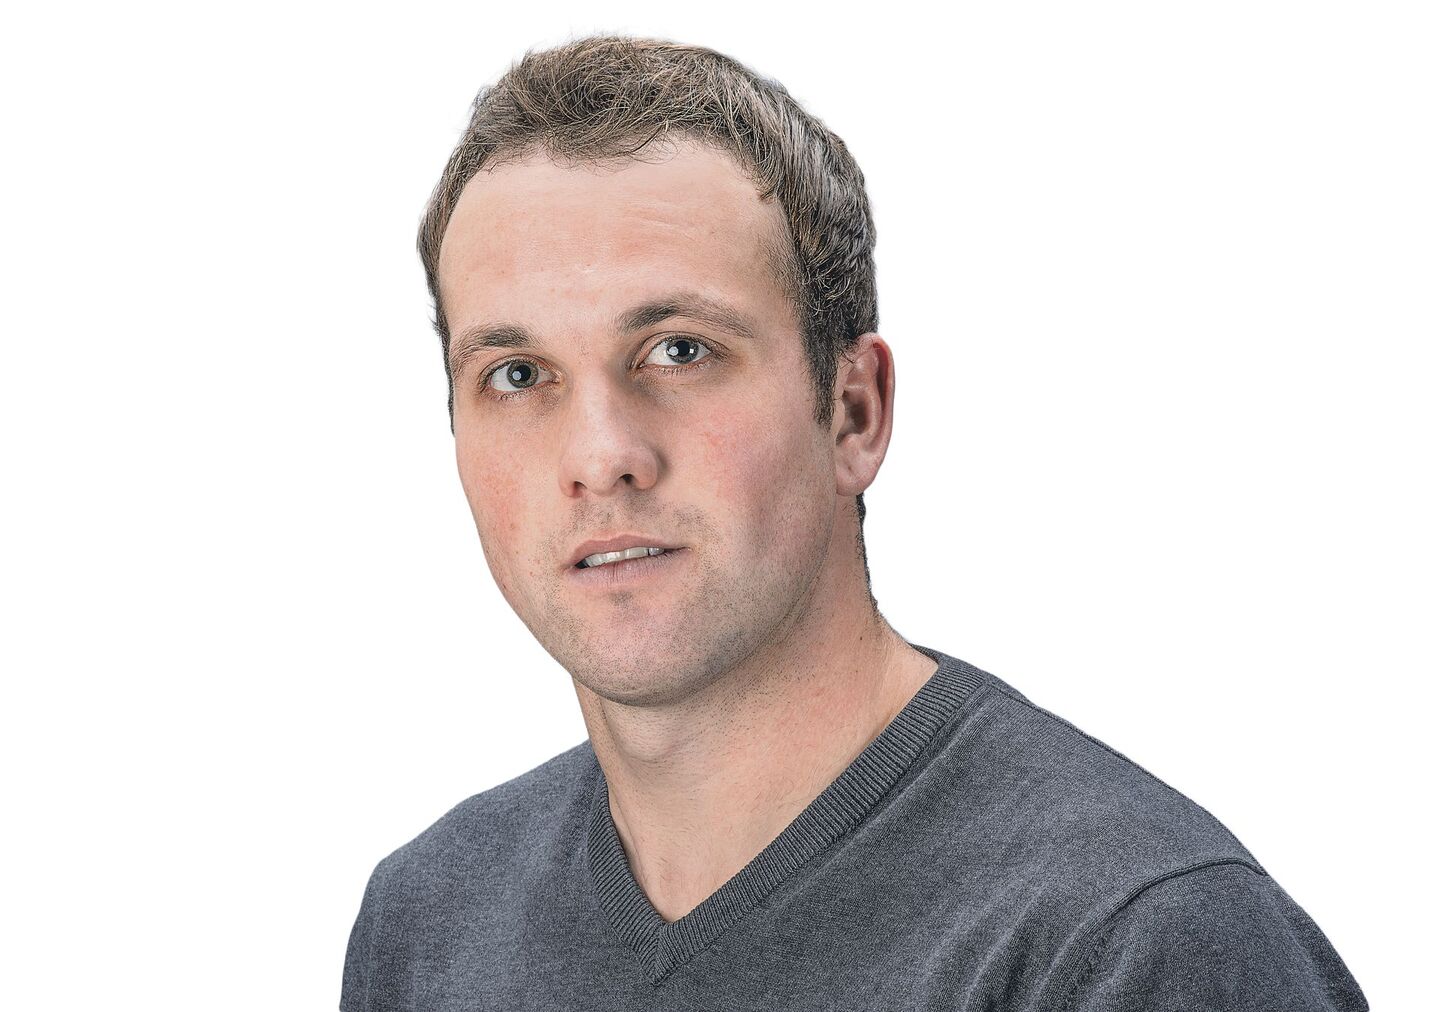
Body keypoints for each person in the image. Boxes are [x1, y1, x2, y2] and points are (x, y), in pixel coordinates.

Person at [341, 34, 1368, 1011]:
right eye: (517, 375)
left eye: (681, 351)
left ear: (854, 412)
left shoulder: (1131, 942)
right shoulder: (431, 922)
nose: (601, 454)